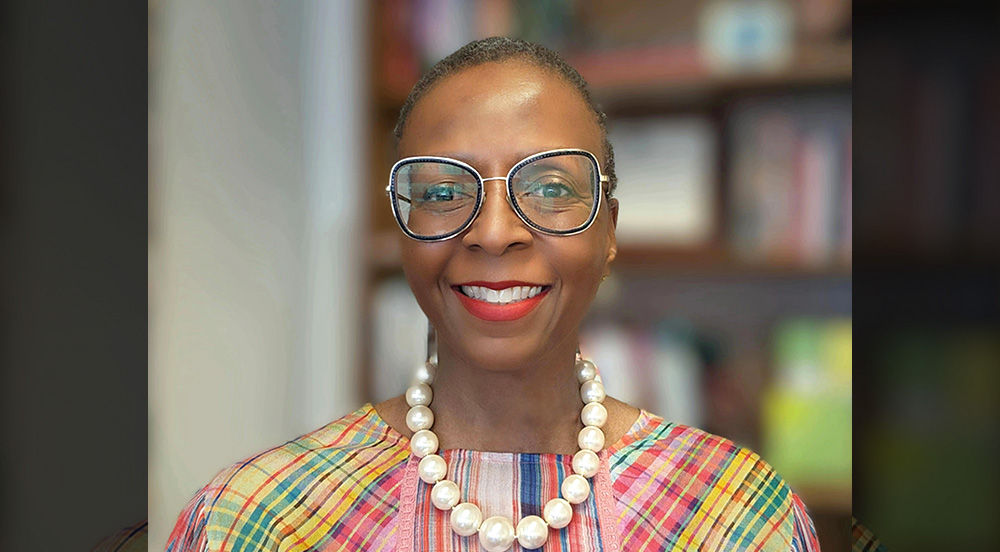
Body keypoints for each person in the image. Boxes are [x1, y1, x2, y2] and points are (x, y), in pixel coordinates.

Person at [166, 37, 822, 552]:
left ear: (609, 231)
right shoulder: (258, 522)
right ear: (403, 228)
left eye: (551, 188)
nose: (495, 232)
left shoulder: (734, 518)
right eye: (443, 191)